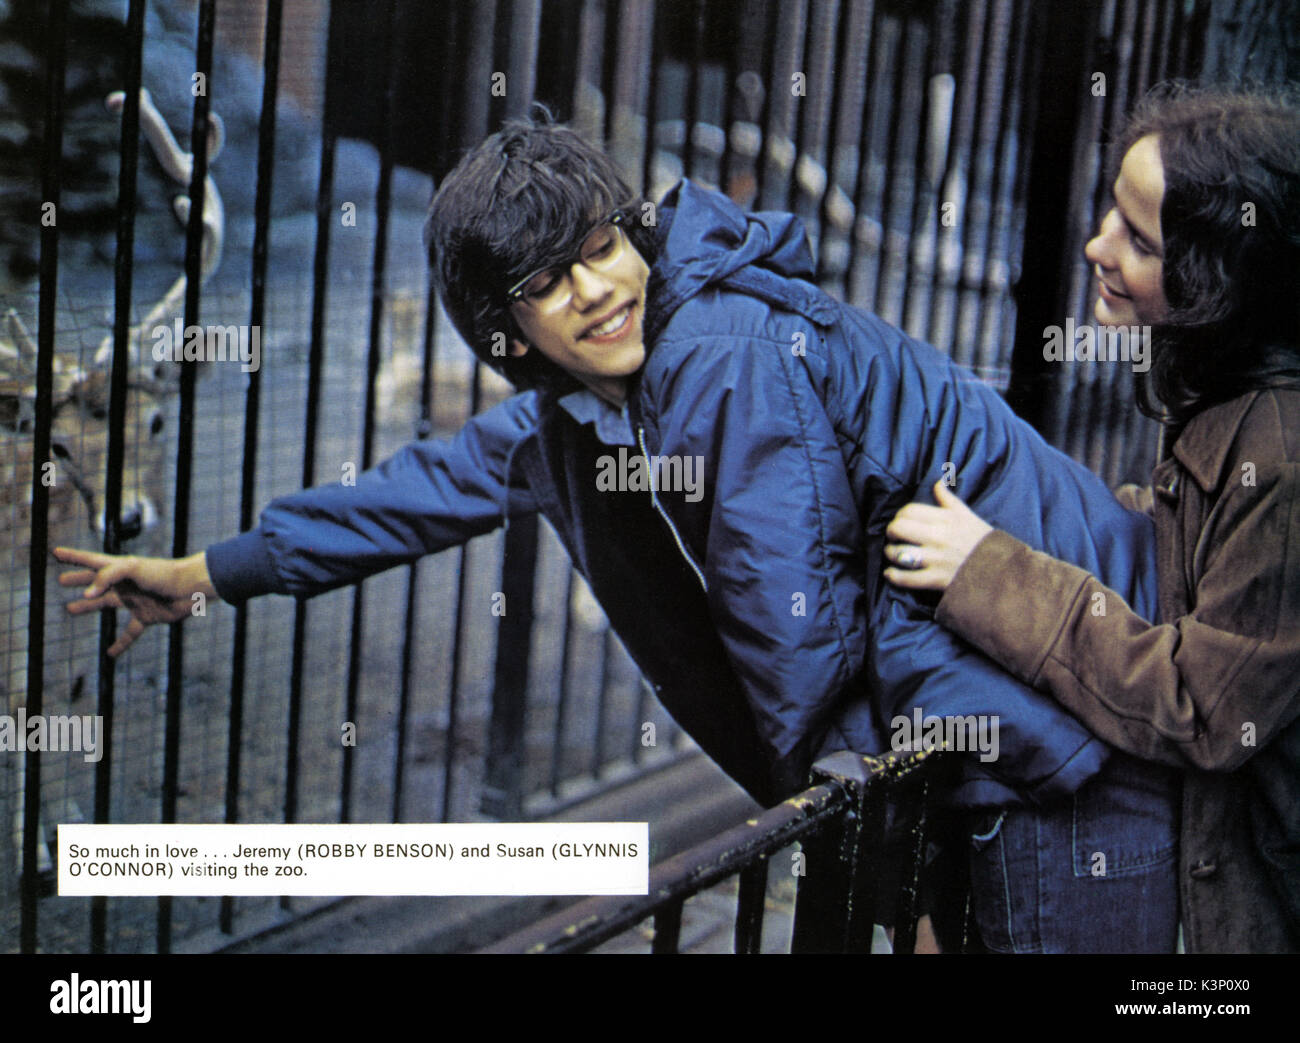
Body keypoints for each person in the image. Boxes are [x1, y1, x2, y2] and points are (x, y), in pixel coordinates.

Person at [57, 113, 1179, 952]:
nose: (597, 290)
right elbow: (423, 487)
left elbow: (790, 619)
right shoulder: (586, 410)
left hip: (1069, 739)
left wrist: (859, 859)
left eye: (601, 246)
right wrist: (208, 570)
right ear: (508, 334)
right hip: (1002, 731)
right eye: (551, 282)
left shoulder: (719, 352)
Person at [884, 82, 1300, 953]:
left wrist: (992, 571)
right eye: (1110, 212)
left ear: (1218, 278)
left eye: (1139, 240)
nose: (1095, 246)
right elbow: (1207, 555)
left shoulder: (1285, 457)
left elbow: (1202, 705)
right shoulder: (1232, 385)